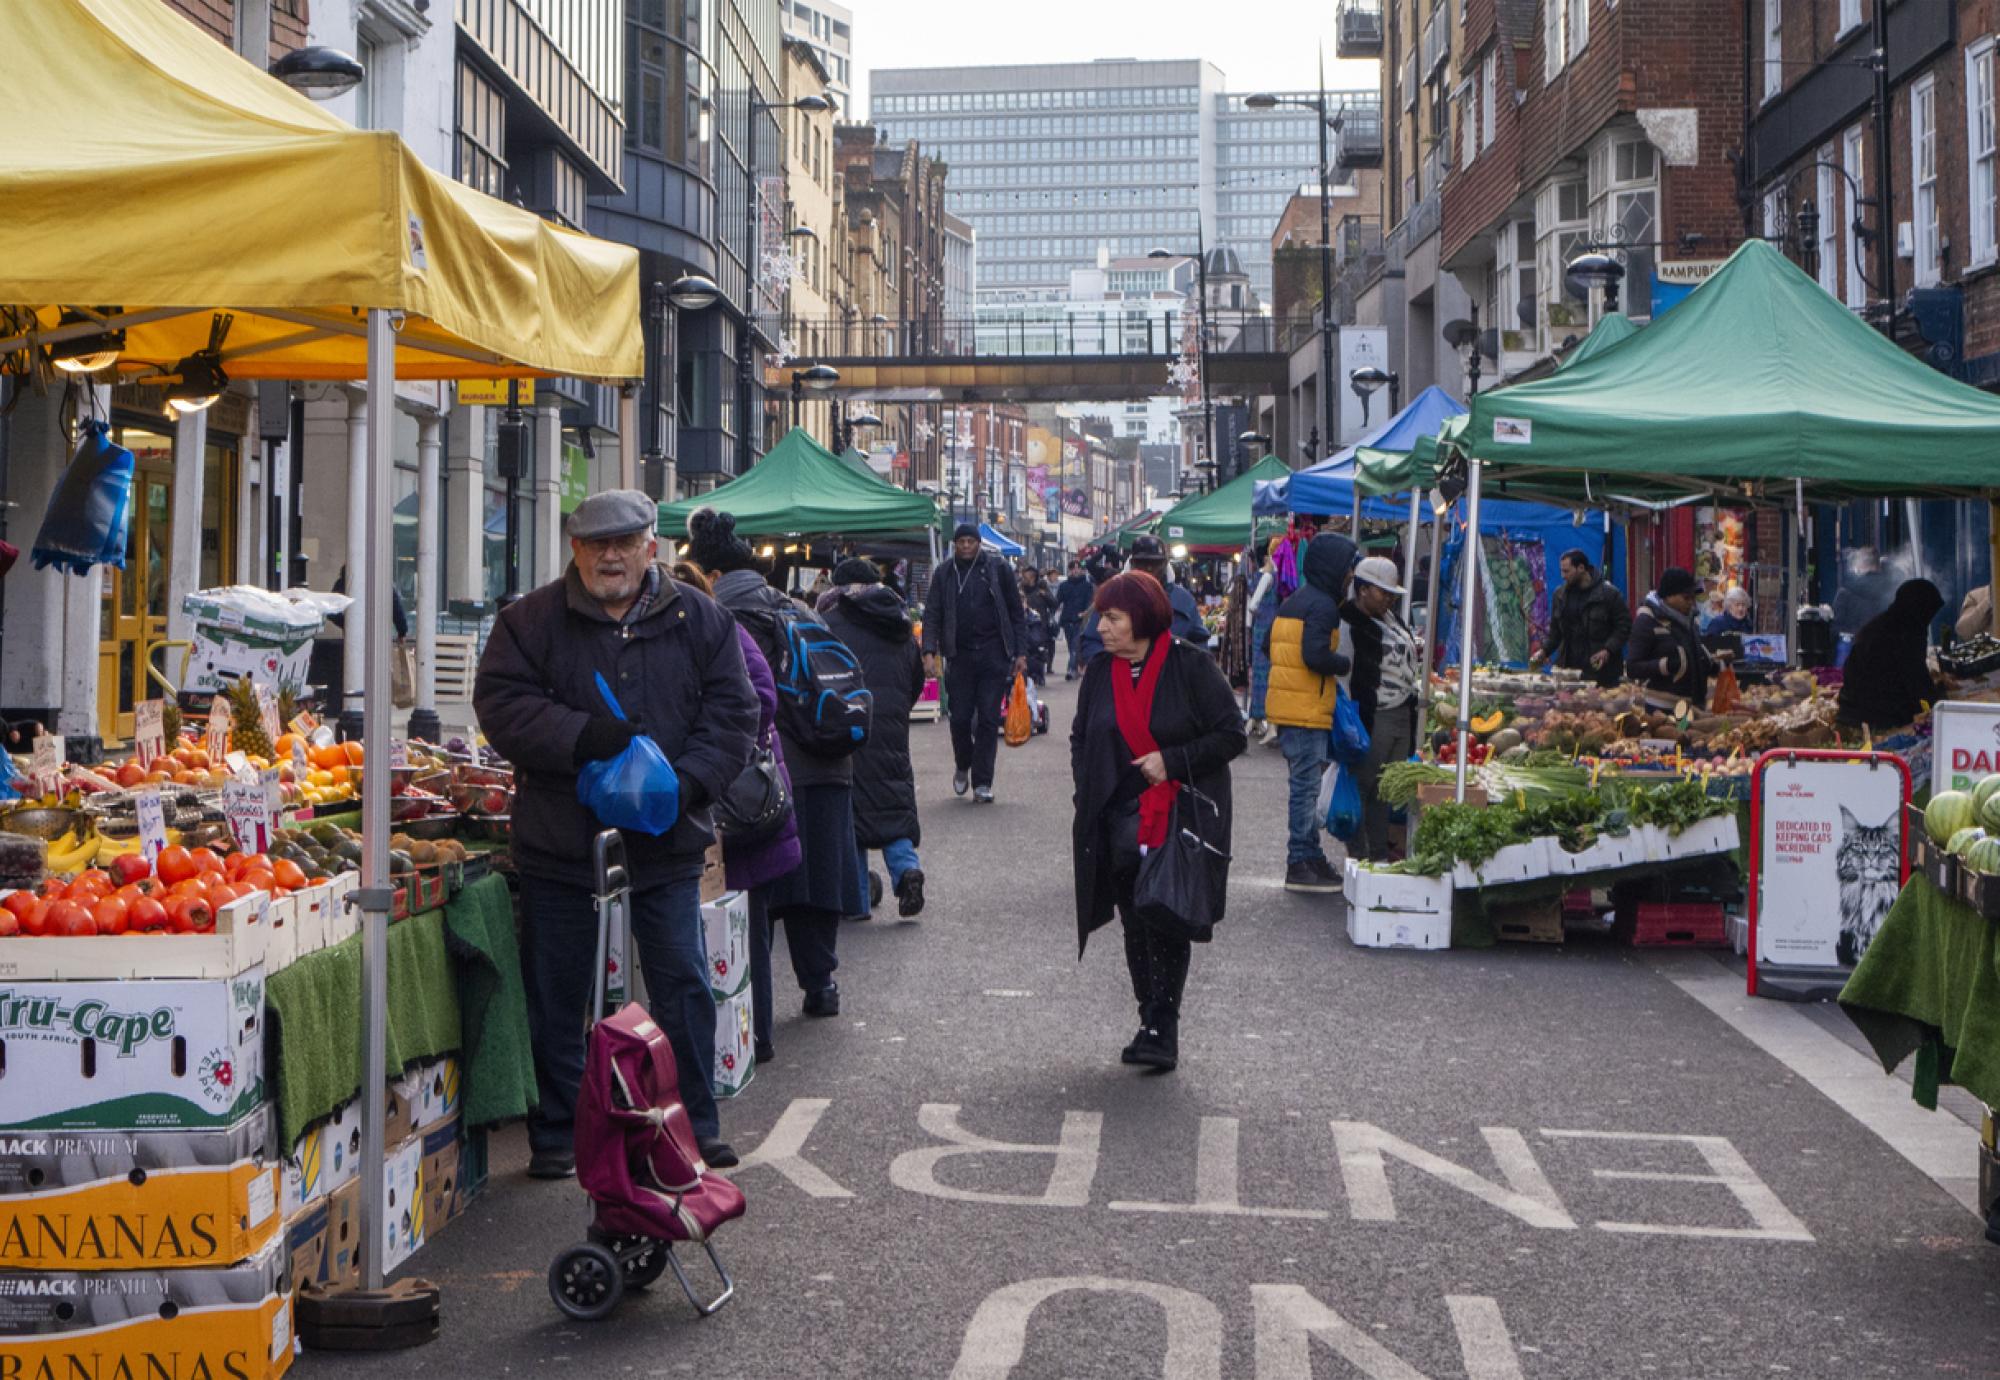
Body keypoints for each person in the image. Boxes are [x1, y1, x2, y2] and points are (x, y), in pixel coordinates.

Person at [473, 490, 757, 1178]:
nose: (611, 556)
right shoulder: (529, 620)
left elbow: (734, 712)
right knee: (558, 990)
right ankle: (560, 1132)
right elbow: (501, 705)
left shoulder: (702, 619)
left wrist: (688, 782)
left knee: (682, 983)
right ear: (574, 549)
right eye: (596, 545)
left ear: (650, 547)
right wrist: (579, 738)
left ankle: (694, 1124)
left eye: (625, 543)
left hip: (666, 840)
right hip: (562, 841)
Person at [689, 507, 866, 1020]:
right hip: (830, 764)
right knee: (820, 881)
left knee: (759, 890)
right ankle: (821, 984)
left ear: (713, 574)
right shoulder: (797, 607)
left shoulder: (719, 618)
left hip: (767, 777)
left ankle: (751, 1008)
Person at [1070, 572, 1246, 1073]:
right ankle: (1148, 1016)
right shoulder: (1101, 672)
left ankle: (1163, 1026)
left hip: (1177, 815)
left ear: (1142, 620)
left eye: (1113, 618)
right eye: (1101, 617)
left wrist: (1170, 760)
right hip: (1116, 816)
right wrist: (1086, 789)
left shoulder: (1191, 666)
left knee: (1164, 914)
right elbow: (1081, 737)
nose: (1101, 628)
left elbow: (1231, 735)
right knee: (1132, 918)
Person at [675, 562, 799, 1067]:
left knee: (749, 924)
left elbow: (764, 699)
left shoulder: (726, 631)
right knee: (730, 928)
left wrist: (714, 743)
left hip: (743, 805)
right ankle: (730, 1041)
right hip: (723, 803)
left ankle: (756, 1037)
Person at [819, 556, 928, 919]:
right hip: (891, 722)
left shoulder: (828, 622)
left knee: (851, 809)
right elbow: (915, 678)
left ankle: (858, 899)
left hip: (846, 723)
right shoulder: (898, 622)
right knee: (892, 798)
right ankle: (906, 869)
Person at [1261, 531, 1356, 893]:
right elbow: (1314, 655)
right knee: (1305, 787)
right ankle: (1300, 859)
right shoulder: (1323, 607)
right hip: (1304, 710)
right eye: (1347, 567)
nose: (1350, 575)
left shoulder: (1295, 600)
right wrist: (1343, 664)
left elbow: (1271, 647)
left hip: (1288, 707)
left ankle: (1310, 854)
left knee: (1305, 785)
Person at [921, 522, 1027, 805]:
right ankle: (962, 762)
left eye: (971, 541)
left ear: (979, 543)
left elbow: (1016, 612)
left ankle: (982, 782)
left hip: (994, 652)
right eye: (961, 542)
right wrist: (929, 650)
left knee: (989, 720)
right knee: (960, 718)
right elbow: (932, 613)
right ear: (954, 544)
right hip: (960, 654)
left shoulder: (998, 568)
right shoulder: (944, 573)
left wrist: (1020, 652)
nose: (966, 546)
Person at [1339, 557, 1422, 863]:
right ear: (1362, 590)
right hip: (1373, 717)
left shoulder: (1390, 617)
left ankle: (1378, 854)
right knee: (1364, 786)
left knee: (1383, 792)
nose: (1388, 597)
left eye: (1391, 593)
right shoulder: (1348, 622)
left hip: (1401, 713)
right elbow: (1343, 676)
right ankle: (1359, 856)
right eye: (1381, 591)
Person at [1838, 578, 1947, 731]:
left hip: (1854, 712)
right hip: (1877, 719)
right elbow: (1915, 680)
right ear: (1920, 608)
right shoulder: (1905, 633)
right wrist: (1940, 703)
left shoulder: (1883, 624)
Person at [1532, 549, 1629, 688]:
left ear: (1581, 568)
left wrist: (1607, 649)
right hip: (1568, 672)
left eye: (1566, 571)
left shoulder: (1609, 595)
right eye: (1561, 571)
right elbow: (1555, 633)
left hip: (1601, 674)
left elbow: (1624, 627)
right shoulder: (1559, 595)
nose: (1563, 576)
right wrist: (1543, 651)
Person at [1626, 566, 1718, 712]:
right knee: (1674, 734)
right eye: (1686, 597)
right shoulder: (1647, 620)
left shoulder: (1690, 620)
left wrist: (1710, 665)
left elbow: (1689, 657)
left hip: (1690, 706)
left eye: (1693, 598)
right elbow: (1632, 668)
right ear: (1668, 596)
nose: (1691, 602)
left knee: (1689, 733)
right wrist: (1665, 665)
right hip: (1662, 708)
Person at [1054, 560, 1094, 680]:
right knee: (1071, 644)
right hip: (1067, 619)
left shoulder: (1087, 585)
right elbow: (1058, 601)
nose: (1075, 570)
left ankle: (1071, 669)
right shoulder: (1064, 585)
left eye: (1078, 568)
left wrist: (1085, 613)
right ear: (1070, 570)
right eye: (1073, 568)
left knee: (1075, 645)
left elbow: (1089, 601)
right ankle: (1075, 667)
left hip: (1081, 619)